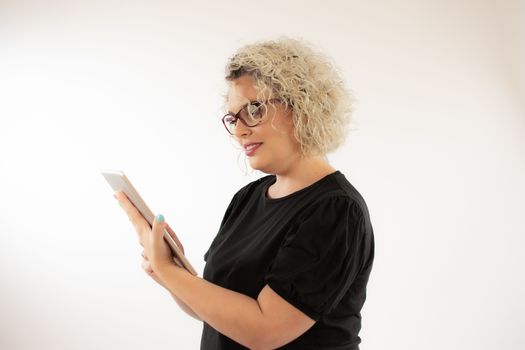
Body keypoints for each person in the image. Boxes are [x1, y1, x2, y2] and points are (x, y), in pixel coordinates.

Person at [115, 38, 375, 350]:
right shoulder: (249, 197)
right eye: (233, 118)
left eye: (254, 109)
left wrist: (171, 272)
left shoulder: (336, 211)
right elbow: (216, 313)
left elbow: (265, 330)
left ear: (302, 105)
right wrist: (168, 271)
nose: (240, 130)